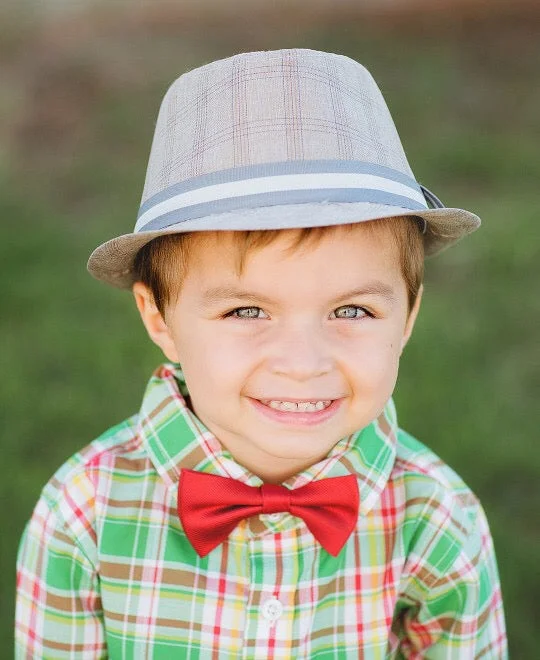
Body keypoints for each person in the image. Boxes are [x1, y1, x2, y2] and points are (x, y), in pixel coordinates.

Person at [15, 49, 507, 658]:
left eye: (352, 311)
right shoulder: (82, 516)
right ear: (158, 317)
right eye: (246, 311)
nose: (302, 362)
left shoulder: (438, 522)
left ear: (407, 316)